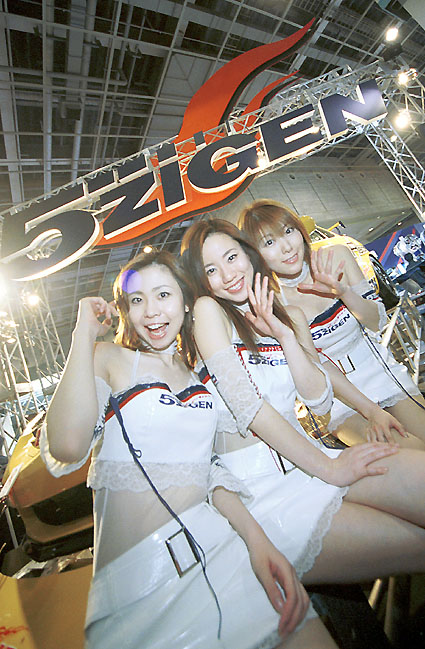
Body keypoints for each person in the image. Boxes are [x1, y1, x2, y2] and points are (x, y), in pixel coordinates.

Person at [40, 249, 341, 649]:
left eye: (163, 295)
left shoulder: (196, 374)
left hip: (224, 552)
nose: (151, 311)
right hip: (139, 593)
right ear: (126, 311)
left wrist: (258, 542)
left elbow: (210, 471)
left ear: (185, 301)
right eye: (137, 300)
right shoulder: (109, 359)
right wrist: (82, 333)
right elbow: (66, 446)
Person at [181, 218, 425, 589]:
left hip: (311, 459)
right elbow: (248, 408)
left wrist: (284, 336)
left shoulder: (288, 315)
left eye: (231, 257)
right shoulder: (208, 311)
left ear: (247, 254)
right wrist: (332, 468)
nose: (228, 275)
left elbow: (319, 401)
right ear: (200, 279)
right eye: (211, 270)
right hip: (264, 489)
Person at [238, 199, 425, 449]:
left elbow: (376, 322)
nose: (287, 247)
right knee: (405, 453)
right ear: (254, 254)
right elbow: (314, 366)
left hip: (381, 371)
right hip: (337, 400)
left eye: (288, 231)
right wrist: (369, 410)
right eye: (269, 242)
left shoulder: (336, 256)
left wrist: (343, 292)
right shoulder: (271, 302)